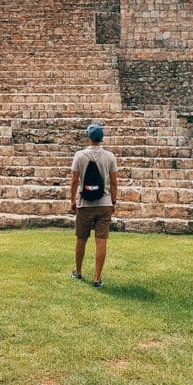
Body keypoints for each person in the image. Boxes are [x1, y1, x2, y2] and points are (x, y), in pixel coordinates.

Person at [69, 123, 118, 288]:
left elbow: (75, 180)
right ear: (101, 138)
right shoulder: (110, 156)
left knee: (81, 238)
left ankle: (78, 271)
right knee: (101, 240)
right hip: (104, 203)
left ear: (89, 137)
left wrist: (72, 200)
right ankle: (97, 278)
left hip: (85, 204)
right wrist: (113, 201)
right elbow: (114, 182)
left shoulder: (79, 155)